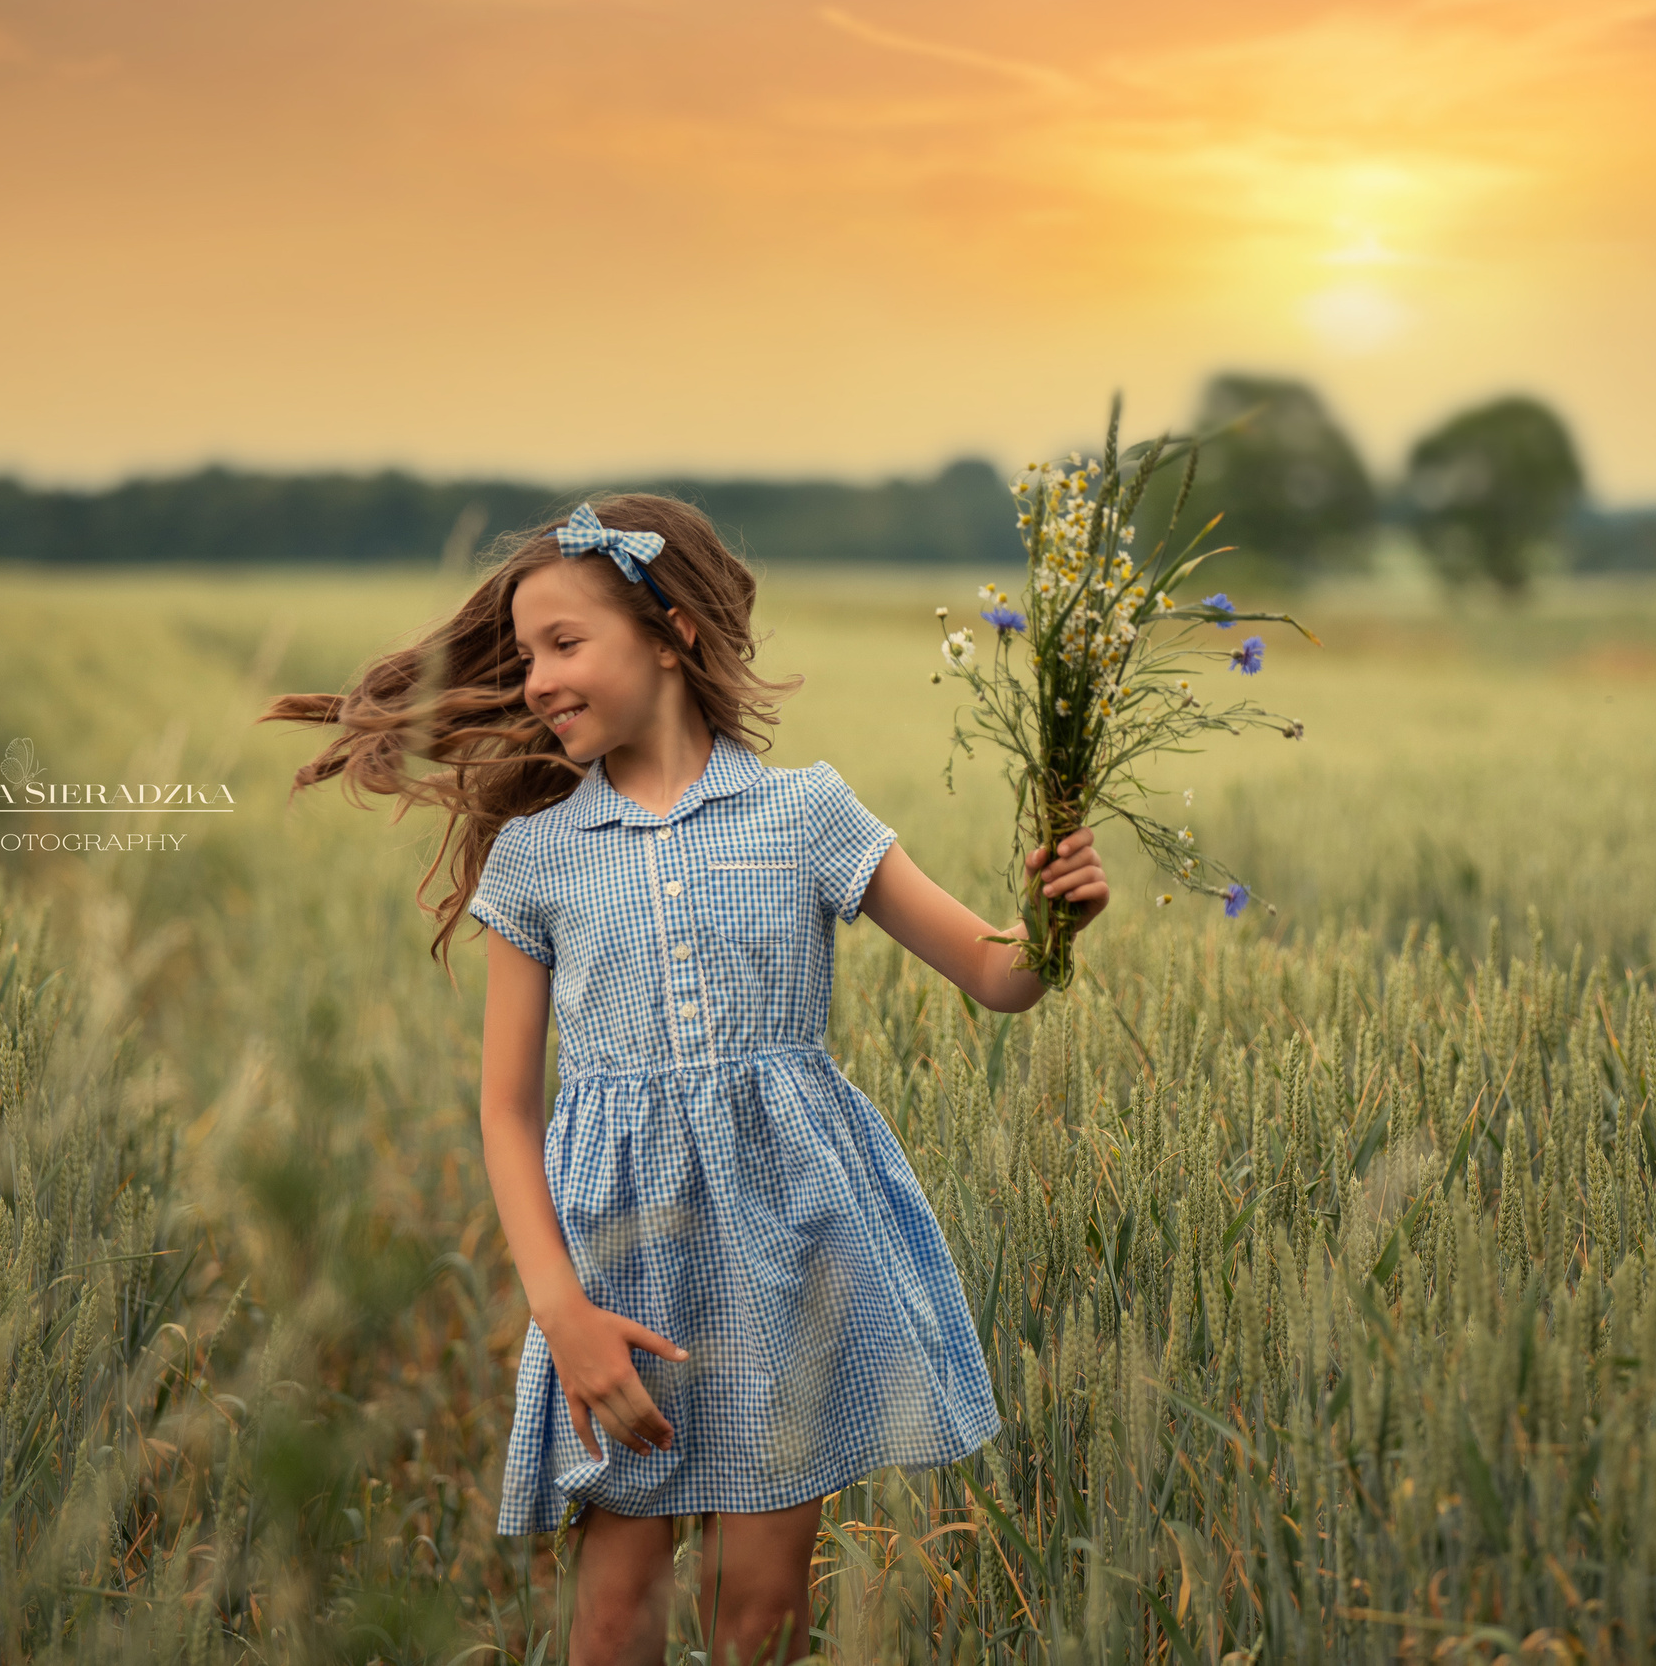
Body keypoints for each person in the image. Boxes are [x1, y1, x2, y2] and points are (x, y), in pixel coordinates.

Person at [266, 494, 1106, 1666]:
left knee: (757, 1617)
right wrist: (562, 1314)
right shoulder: (541, 852)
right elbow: (505, 1108)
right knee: (613, 1621)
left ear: (672, 634)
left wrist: (1051, 920)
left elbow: (994, 972)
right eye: (523, 655)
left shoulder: (804, 812)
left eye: (565, 642)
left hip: (792, 1249)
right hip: (621, 1266)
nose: (537, 677)